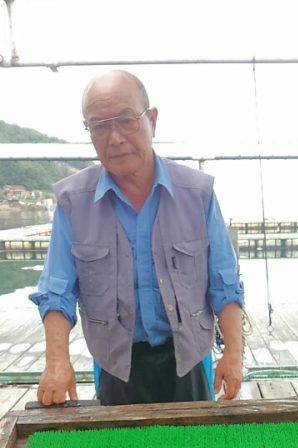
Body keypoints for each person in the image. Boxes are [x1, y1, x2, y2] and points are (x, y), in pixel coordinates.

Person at [30, 70, 244, 406]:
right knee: (117, 440)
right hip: (115, 361)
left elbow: (224, 282)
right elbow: (57, 290)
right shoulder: (73, 202)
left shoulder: (197, 194)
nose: (114, 138)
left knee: (198, 438)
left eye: (126, 121)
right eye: (100, 126)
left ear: (152, 120)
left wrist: (233, 354)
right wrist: (57, 361)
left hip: (189, 356)